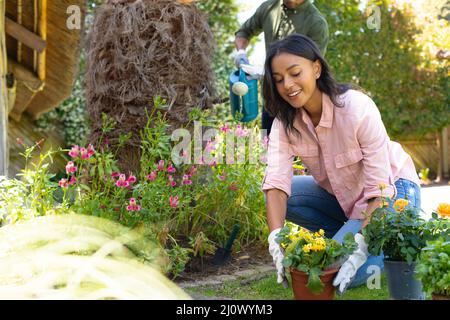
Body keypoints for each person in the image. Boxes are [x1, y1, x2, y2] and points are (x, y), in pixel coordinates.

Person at [261, 34, 422, 293]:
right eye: (278, 80)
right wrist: (275, 240)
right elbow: (276, 183)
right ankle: (352, 232)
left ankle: (382, 241)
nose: (287, 85)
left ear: (316, 68)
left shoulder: (356, 108)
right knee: (281, 196)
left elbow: (379, 190)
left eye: (294, 73)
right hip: (347, 201)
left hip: (394, 192)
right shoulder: (285, 122)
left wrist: (357, 249)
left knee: (334, 272)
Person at [234, 0, 329, 136]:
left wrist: (269, 73)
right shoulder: (269, 8)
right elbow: (244, 32)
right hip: (272, 100)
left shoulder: (316, 23)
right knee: (268, 148)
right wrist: (240, 52)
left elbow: (311, 69)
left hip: (299, 103)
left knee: (300, 152)